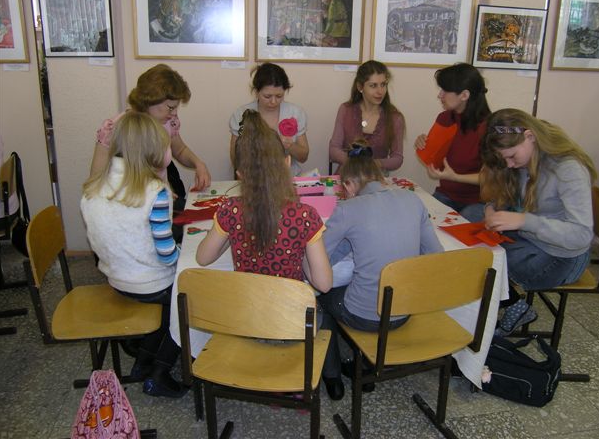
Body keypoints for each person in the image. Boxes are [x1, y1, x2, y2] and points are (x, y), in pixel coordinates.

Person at [318, 141, 444, 400]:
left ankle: (333, 376)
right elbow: (435, 256)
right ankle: (363, 368)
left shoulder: (347, 209)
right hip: (404, 311)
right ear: (379, 177)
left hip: (365, 315)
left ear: (349, 185)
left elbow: (321, 260)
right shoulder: (412, 200)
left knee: (321, 294)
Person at [81, 112, 186, 398]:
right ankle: (160, 373)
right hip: (149, 284)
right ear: (154, 151)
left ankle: (142, 362)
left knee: (166, 306)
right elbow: (167, 255)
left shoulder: (94, 186)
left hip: (116, 279)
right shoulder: (155, 192)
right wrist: (188, 254)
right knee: (189, 301)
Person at [480, 109, 596, 336]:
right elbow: (505, 197)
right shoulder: (523, 159)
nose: (509, 165)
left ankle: (510, 306)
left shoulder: (568, 169)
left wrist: (524, 221)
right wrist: (491, 209)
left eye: (512, 156)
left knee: (487, 262)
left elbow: (581, 235)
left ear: (530, 136)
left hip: (562, 256)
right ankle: (508, 305)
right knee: (473, 224)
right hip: (532, 238)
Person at [198, 109, 331, 291]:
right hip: (288, 306)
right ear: (287, 162)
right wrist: (301, 253)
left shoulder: (230, 210)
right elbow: (324, 285)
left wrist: (230, 234)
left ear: (240, 175)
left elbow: (203, 258)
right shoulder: (305, 216)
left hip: (247, 304)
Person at [90, 64, 211, 214]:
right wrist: (154, 194)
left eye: (176, 107)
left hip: (159, 203)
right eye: (170, 107)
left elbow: (180, 150)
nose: (174, 113)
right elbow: (96, 183)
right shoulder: (116, 130)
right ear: (150, 100)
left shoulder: (168, 122)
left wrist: (199, 164)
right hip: (128, 209)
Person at [414, 63, 491, 221]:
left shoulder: (488, 127)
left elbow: (492, 178)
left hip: (478, 201)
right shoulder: (445, 118)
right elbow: (435, 163)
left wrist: (455, 177)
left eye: (445, 90)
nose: (439, 95)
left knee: (461, 223)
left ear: (464, 95)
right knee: (420, 218)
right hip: (447, 195)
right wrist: (424, 146)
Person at [229, 63, 309, 176]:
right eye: (267, 96)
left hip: (288, 178)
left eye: (279, 96)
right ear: (256, 92)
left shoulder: (295, 113)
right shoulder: (243, 114)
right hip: (253, 178)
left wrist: (290, 146)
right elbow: (235, 156)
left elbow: (303, 157)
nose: (273, 101)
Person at [329, 60, 405, 173]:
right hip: (347, 176)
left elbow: (397, 158)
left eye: (383, 85)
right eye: (373, 86)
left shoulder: (395, 118)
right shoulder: (346, 110)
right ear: (360, 86)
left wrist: (376, 164)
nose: (380, 91)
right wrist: (355, 162)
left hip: (377, 178)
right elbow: (333, 149)